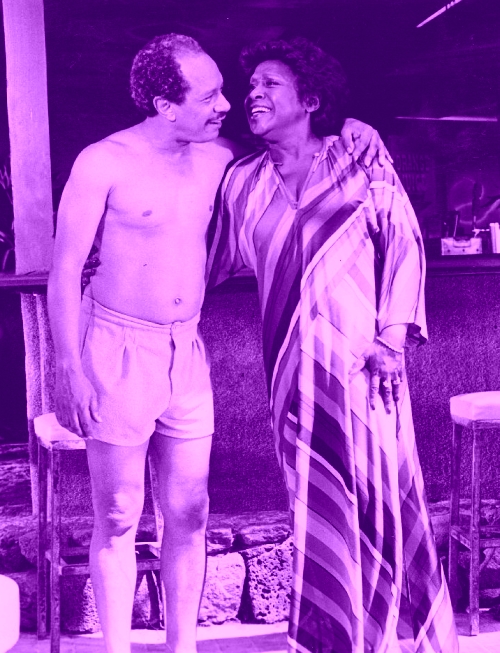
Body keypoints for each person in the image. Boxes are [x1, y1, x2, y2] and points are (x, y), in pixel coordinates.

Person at [48, 34, 386, 653]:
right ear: (164, 105)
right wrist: (71, 371)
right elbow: (65, 270)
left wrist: (352, 128)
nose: (226, 105)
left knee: (190, 511)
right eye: (208, 97)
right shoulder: (102, 163)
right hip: (117, 349)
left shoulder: (221, 158)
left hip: (187, 351)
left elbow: (297, 142)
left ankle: (183, 648)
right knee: (118, 514)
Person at [207, 38, 459, 653]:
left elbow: (405, 244)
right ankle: (331, 640)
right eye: (251, 85)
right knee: (314, 503)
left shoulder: (359, 159)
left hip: (367, 364)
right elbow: (207, 261)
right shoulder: (240, 181)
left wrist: (393, 337)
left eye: (270, 84)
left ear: (311, 100)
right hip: (292, 373)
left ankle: (399, 638)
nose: (253, 94)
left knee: (381, 495)